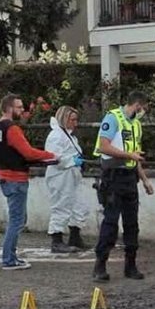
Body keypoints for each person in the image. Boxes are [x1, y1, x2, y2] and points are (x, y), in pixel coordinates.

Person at [92, 91, 155, 282]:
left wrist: (144, 179)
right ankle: (100, 266)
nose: (143, 111)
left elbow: (135, 156)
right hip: (113, 177)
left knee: (131, 224)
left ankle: (131, 265)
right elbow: (103, 146)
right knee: (110, 222)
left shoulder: (136, 124)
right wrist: (129, 156)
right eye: (143, 108)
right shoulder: (113, 118)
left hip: (129, 178)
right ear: (137, 105)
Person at [0, 94, 57, 270]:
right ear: (10, 108)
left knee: (17, 219)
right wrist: (52, 155)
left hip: (5, 176)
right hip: (16, 178)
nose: (22, 110)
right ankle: (9, 259)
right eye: (19, 107)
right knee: (17, 220)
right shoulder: (11, 129)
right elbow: (28, 152)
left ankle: (10, 257)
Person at [45, 106, 89, 253]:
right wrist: (72, 161)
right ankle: (56, 240)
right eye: (72, 120)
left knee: (79, 205)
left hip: (72, 175)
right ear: (64, 119)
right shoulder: (56, 136)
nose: (75, 123)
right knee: (61, 206)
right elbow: (53, 157)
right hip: (60, 176)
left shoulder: (69, 136)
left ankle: (75, 237)